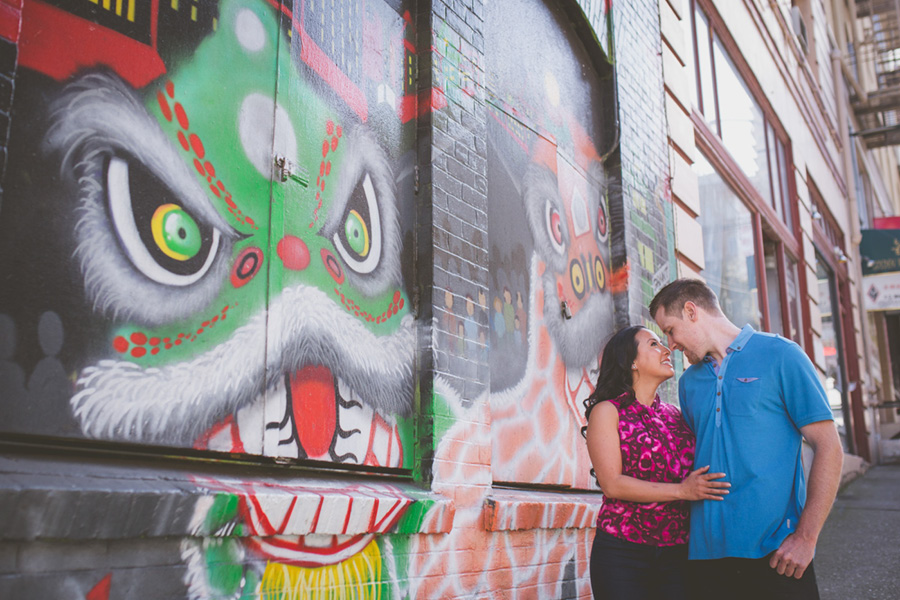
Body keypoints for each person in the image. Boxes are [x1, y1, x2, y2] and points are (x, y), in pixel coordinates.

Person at [650, 278, 843, 600]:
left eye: (670, 330)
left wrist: (807, 538)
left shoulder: (782, 355)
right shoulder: (689, 383)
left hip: (778, 552)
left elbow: (829, 447)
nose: (671, 344)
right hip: (706, 556)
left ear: (691, 310)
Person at [584, 325, 730, 600]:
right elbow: (612, 484)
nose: (667, 350)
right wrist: (682, 491)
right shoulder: (608, 411)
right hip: (623, 553)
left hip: (679, 553)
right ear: (631, 361)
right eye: (654, 344)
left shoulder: (676, 415)